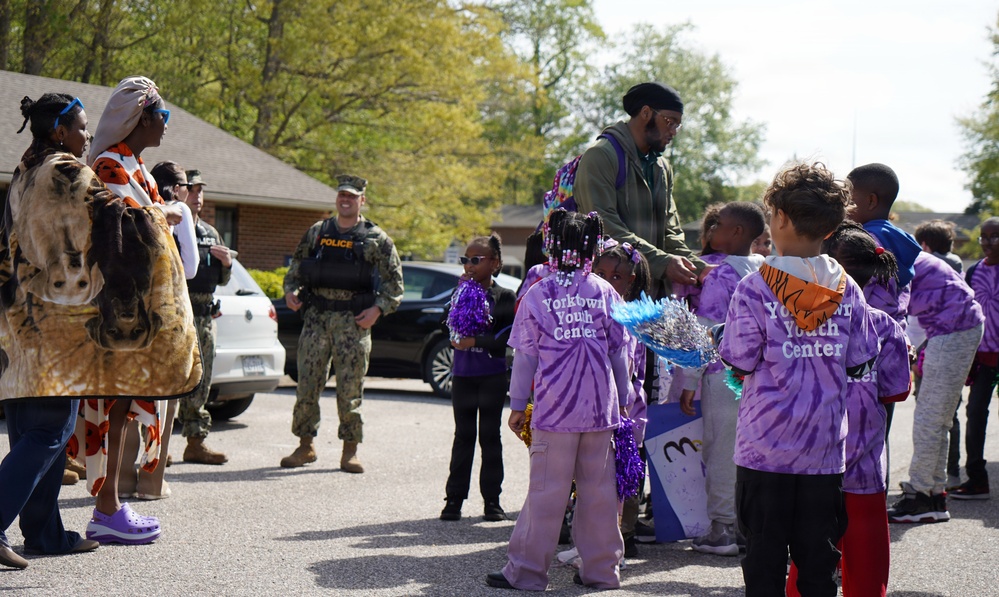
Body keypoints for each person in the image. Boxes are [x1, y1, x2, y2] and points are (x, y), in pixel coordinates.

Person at [718, 162, 878, 597]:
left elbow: (740, 359)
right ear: (831, 227)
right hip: (823, 453)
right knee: (820, 563)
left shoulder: (754, 289)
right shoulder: (848, 289)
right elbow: (861, 359)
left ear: (781, 218)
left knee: (763, 561)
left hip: (763, 451)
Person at [82, 75, 202, 542]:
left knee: (123, 407)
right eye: (162, 116)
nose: (166, 125)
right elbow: (124, 232)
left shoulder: (138, 168)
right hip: (120, 310)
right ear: (140, 118)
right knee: (110, 407)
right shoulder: (110, 165)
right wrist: (165, 215)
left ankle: (109, 505)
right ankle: (105, 507)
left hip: (142, 311)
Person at [486, 209, 630, 591]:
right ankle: (601, 572)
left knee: (547, 493)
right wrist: (625, 397)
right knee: (599, 494)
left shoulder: (538, 293)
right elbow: (619, 351)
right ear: (594, 248)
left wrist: (518, 405)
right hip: (600, 410)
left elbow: (525, 357)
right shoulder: (604, 290)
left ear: (550, 245)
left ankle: (528, 573)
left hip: (556, 411)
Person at [0, 93, 101, 569]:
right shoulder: (64, 170)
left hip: (16, 317)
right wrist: (157, 216)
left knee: (29, 426)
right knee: (51, 427)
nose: (87, 137)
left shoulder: (24, 171)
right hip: (54, 314)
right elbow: (106, 218)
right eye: (82, 127)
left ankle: (45, 534)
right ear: (60, 130)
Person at [786, 222, 911, 597]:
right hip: (867, 459)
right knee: (866, 544)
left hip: (815, 452)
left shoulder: (806, 319)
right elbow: (896, 390)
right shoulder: (887, 326)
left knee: (810, 541)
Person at [281, 174, 404, 472]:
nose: (345, 200)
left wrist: (378, 310)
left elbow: (395, 285)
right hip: (316, 319)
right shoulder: (317, 232)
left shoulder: (377, 238)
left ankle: (350, 450)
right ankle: (305, 446)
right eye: (341, 195)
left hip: (353, 323)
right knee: (307, 384)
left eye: (351, 196)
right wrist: (290, 291)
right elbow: (296, 266)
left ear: (362, 200)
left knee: (350, 389)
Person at [677, 202, 766, 557]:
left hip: (723, 377)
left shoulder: (719, 276)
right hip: (761, 378)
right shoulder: (765, 269)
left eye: (720, 226)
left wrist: (688, 381)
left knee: (720, 452)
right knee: (752, 453)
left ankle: (723, 529)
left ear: (738, 233)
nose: (712, 233)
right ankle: (749, 526)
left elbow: (703, 334)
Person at [574, 82, 707, 297]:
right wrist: (662, 263)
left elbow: (670, 232)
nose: (673, 131)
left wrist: (701, 270)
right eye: (670, 121)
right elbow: (604, 228)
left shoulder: (663, 167)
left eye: (677, 125)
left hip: (651, 299)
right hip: (606, 296)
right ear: (646, 113)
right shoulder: (601, 156)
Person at [887, 248, 984, 523]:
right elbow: (913, 324)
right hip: (959, 327)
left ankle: (919, 497)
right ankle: (934, 495)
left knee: (929, 419)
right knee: (938, 420)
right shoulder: (895, 246)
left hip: (953, 329)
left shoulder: (883, 251)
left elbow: (907, 322)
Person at [439, 234, 516, 522]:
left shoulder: (504, 296)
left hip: (491, 376)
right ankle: (454, 499)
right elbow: (444, 324)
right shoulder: (459, 292)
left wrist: (474, 341)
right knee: (464, 436)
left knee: (489, 437)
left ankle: (492, 501)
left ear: (494, 263)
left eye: (476, 259)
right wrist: (460, 296)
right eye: (465, 260)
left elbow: (506, 337)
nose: (469, 265)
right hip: (464, 376)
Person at [592, 238, 651, 560]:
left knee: (628, 471)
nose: (607, 281)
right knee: (595, 473)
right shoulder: (588, 311)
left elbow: (637, 368)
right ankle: (592, 534)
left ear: (631, 280)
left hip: (629, 407)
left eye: (616, 276)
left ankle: (625, 534)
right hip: (596, 406)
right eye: (600, 273)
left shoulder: (636, 317)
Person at [174, 168, 232, 465]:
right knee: (170, 381)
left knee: (202, 381)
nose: (197, 196)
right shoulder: (171, 226)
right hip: (176, 313)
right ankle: (154, 447)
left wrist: (226, 265)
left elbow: (221, 280)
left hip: (204, 316)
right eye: (192, 190)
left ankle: (196, 442)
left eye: (200, 191)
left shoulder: (210, 233)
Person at [913, 218, 963, 488]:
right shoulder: (955, 264)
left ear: (924, 245)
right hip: (953, 340)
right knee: (945, 417)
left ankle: (923, 491)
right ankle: (942, 480)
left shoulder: (925, 267)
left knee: (928, 418)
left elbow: (915, 324)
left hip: (938, 343)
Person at [952, 217, 999, 500]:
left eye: (994, 236)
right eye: (983, 236)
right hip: (982, 357)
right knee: (975, 413)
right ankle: (977, 478)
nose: (987, 242)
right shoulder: (975, 272)